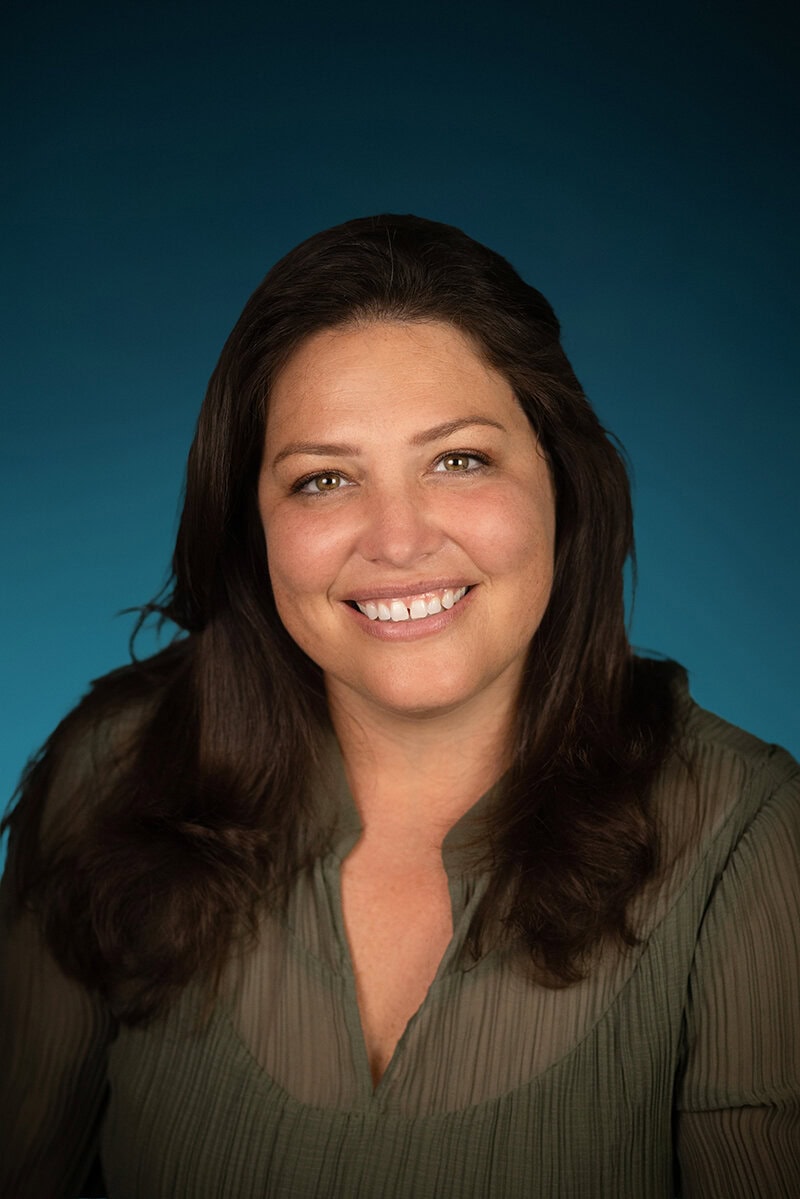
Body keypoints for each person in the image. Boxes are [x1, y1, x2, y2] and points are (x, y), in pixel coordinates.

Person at [1, 214, 797, 1199]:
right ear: (251, 521)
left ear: (562, 477)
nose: (396, 539)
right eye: (323, 478)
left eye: (456, 459)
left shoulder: (744, 833)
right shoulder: (112, 772)